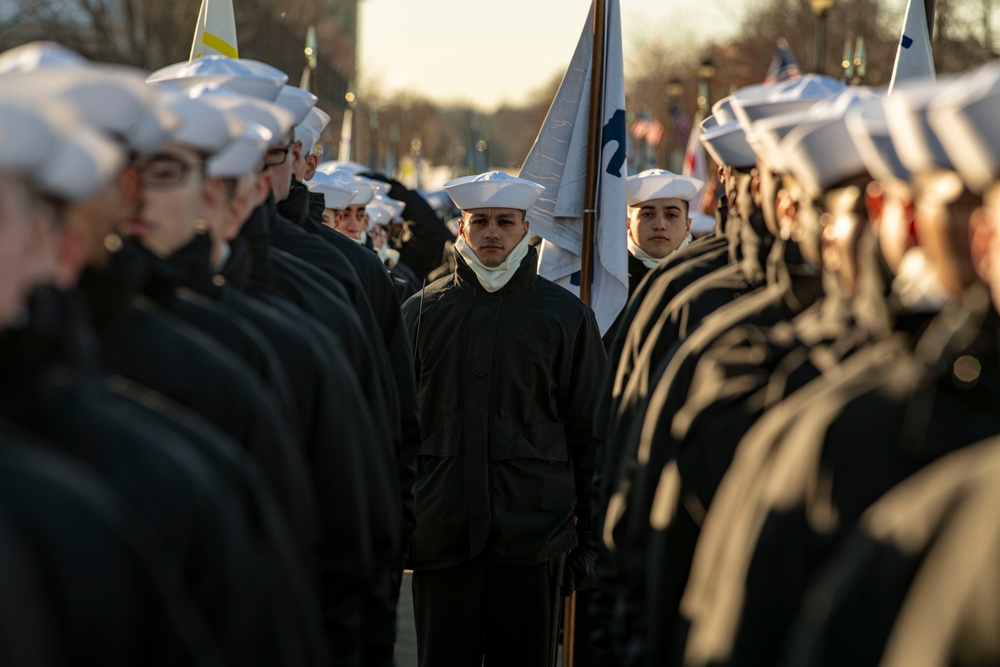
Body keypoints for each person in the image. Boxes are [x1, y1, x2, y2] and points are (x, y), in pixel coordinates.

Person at [400, 171, 605, 667]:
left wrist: (592, 543)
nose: (492, 232)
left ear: (526, 229)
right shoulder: (420, 314)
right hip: (443, 541)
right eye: (481, 221)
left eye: (505, 222)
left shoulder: (566, 318)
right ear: (461, 228)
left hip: (534, 542)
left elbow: (594, 436)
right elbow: (395, 438)